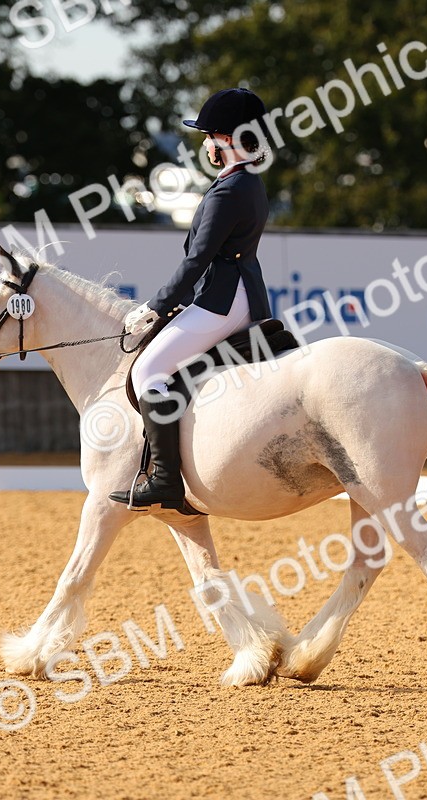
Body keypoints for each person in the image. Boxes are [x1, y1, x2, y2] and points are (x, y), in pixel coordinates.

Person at [110, 87, 273, 510]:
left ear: (225, 138)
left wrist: (155, 307)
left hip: (222, 299)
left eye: (208, 136)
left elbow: (198, 259)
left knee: (148, 370)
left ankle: (165, 479)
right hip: (240, 292)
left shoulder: (228, 191)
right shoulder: (248, 182)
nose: (204, 144)